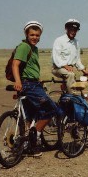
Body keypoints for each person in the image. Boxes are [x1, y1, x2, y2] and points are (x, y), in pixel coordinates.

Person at [12, 20, 63, 157]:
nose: (35, 37)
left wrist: (37, 78)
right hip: (28, 85)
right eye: (32, 35)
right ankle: (35, 135)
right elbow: (15, 64)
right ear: (26, 34)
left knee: (31, 114)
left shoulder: (34, 49)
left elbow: (30, 66)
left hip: (32, 82)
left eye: (37, 35)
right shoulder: (24, 47)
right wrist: (18, 81)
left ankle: (30, 144)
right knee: (51, 109)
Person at [51, 18, 88, 94]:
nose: (73, 32)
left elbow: (77, 59)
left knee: (81, 78)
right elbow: (56, 57)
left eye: (75, 30)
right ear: (66, 29)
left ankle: (68, 93)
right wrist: (65, 65)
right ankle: (73, 96)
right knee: (70, 75)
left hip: (69, 69)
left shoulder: (76, 42)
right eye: (71, 29)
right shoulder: (59, 40)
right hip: (57, 68)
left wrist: (83, 70)